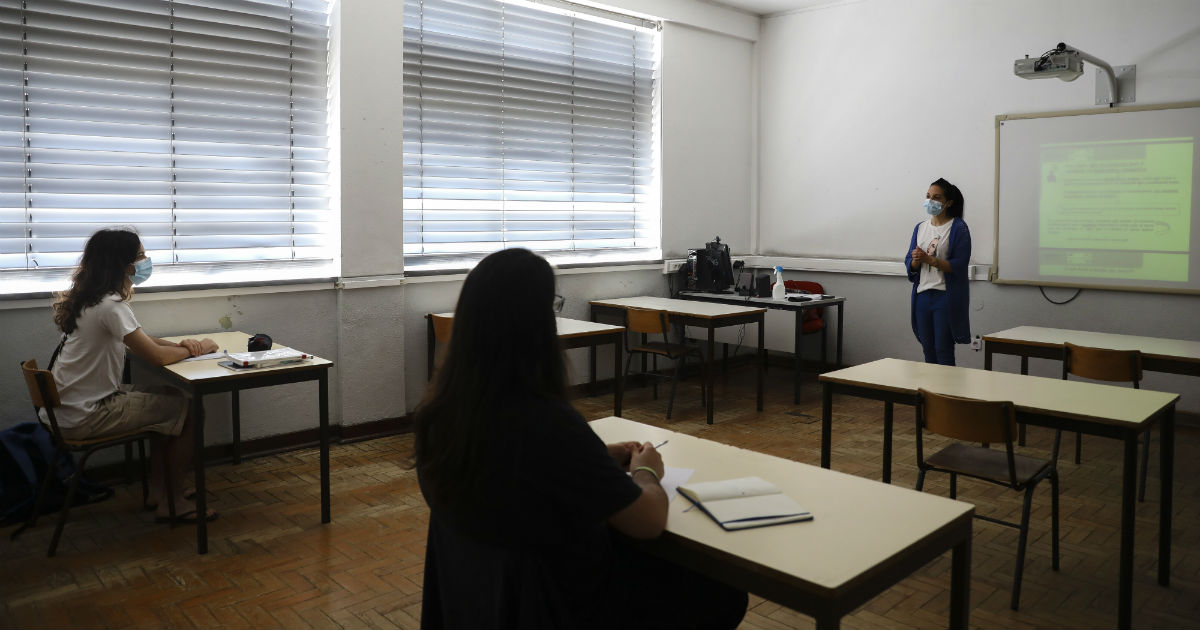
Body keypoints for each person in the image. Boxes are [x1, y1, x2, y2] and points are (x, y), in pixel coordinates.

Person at [414, 248, 747, 629]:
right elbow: (649, 521)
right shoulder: (547, 424)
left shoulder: (437, 416)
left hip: (483, 600)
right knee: (724, 592)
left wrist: (597, 455)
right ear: (536, 325)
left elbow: (519, 469)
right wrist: (647, 472)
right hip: (566, 605)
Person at [49, 227, 218, 523]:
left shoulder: (92, 300)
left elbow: (142, 340)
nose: (145, 261)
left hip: (68, 409)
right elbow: (155, 357)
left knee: (170, 397)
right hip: (88, 414)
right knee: (190, 410)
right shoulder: (111, 306)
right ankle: (173, 503)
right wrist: (199, 348)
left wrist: (181, 346)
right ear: (124, 265)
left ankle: (158, 492)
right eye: (140, 255)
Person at [905, 177, 972, 366]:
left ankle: (948, 386)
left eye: (936, 197)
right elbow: (910, 262)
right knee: (928, 349)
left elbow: (959, 265)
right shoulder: (920, 227)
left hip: (945, 296)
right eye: (928, 196)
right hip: (922, 295)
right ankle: (931, 386)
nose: (930, 201)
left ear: (948, 202)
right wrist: (915, 261)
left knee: (943, 349)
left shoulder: (958, 227)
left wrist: (931, 260)